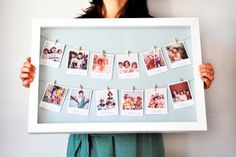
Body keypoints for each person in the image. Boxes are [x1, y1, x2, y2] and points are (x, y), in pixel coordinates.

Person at [19, 0, 215, 157]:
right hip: (89, 140)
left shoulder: (157, 30)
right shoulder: (74, 29)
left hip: (140, 141)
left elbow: (172, 76)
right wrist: (34, 78)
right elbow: (58, 77)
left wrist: (197, 83)